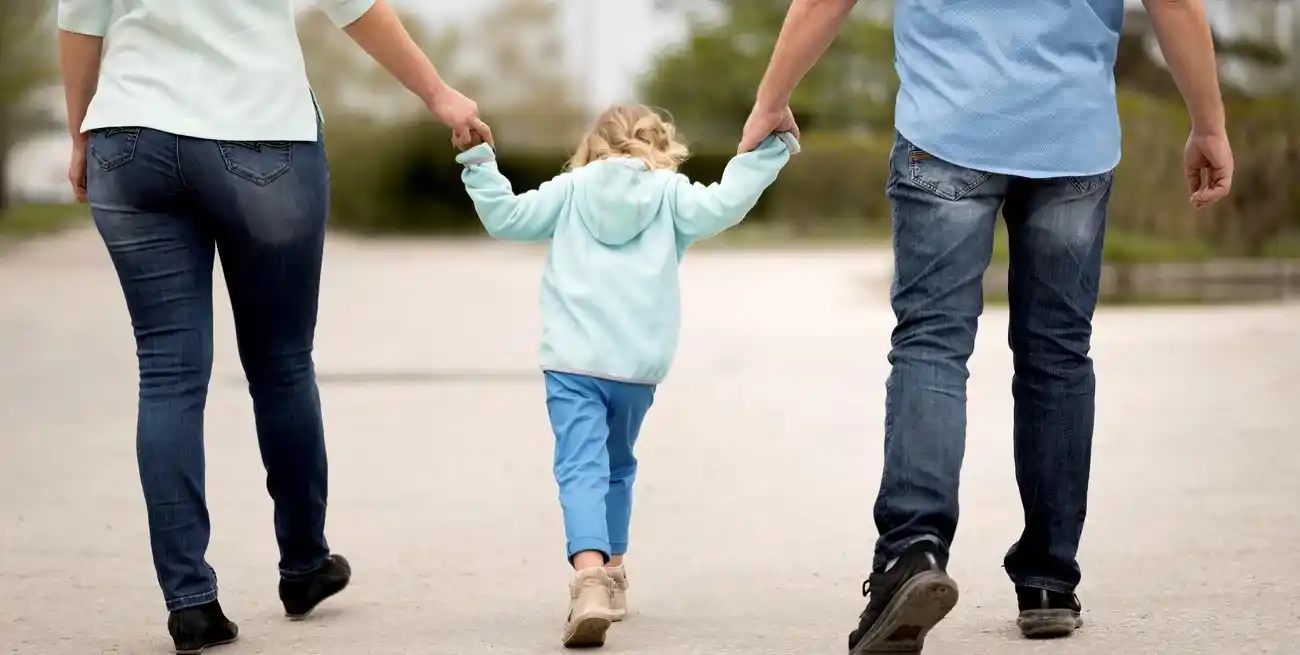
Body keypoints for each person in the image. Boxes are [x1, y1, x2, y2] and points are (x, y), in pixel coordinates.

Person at [738, 0, 1234, 652]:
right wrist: (1209, 124)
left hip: (946, 126)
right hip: (1072, 139)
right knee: (1057, 355)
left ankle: (910, 552)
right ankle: (1049, 580)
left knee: (931, 345)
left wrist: (771, 98)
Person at [56, 0, 490, 652]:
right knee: (282, 363)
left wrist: (81, 132)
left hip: (130, 139)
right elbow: (356, 7)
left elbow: (79, 26)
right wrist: (438, 94)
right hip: (262, 136)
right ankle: (304, 564)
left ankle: (190, 601)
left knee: (168, 371)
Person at [455, 105, 797, 648]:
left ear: (591, 147)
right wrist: (771, 150)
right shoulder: (671, 194)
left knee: (580, 467)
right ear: (660, 145)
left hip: (572, 362)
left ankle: (589, 577)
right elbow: (727, 202)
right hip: (636, 369)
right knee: (617, 466)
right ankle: (612, 572)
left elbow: (507, 218)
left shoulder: (569, 191)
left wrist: (477, 160)